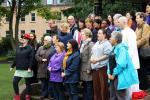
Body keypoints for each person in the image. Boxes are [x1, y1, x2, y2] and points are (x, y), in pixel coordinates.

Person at [108, 31, 139, 100]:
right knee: (112, 97)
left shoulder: (122, 49)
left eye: (111, 37)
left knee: (121, 97)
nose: (109, 38)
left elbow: (121, 64)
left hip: (119, 77)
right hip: (112, 77)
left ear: (116, 39)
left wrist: (113, 74)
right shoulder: (113, 48)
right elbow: (109, 62)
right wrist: (108, 73)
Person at [118, 16, 140, 97]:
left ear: (124, 22)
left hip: (130, 62)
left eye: (119, 22)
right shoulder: (122, 32)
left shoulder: (130, 32)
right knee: (127, 85)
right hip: (124, 60)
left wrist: (127, 60)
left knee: (132, 85)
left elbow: (132, 47)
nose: (118, 24)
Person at [11, 33, 34, 100]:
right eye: (22, 38)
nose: (23, 40)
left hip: (27, 69)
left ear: (27, 40)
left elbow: (31, 58)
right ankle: (17, 95)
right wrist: (12, 66)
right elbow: (16, 58)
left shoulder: (30, 48)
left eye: (24, 39)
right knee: (14, 82)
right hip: (19, 69)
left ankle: (28, 95)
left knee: (27, 83)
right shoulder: (18, 47)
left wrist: (30, 67)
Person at [90, 29, 112, 100]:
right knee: (96, 88)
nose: (97, 35)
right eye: (98, 33)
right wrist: (92, 58)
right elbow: (93, 52)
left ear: (104, 35)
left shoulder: (107, 43)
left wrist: (97, 60)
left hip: (103, 68)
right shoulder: (97, 43)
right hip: (95, 68)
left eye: (99, 33)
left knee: (103, 88)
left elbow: (107, 55)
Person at [135, 12, 150, 90]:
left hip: (143, 50)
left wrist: (134, 45)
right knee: (140, 69)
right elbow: (135, 37)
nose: (136, 19)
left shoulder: (146, 26)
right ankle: (142, 86)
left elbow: (144, 39)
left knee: (143, 69)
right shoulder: (137, 27)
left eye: (137, 18)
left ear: (142, 18)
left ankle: (145, 87)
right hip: (138, 50)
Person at [80, 28, 94, 100]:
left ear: (87, 35)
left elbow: (91, 56)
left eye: (82, 34)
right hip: (82, 68)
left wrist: (89, 68)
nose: (81, 36)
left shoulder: (90, 44)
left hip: (87, 69)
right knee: (85, 85)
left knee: (89, 86)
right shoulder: (83, 44)